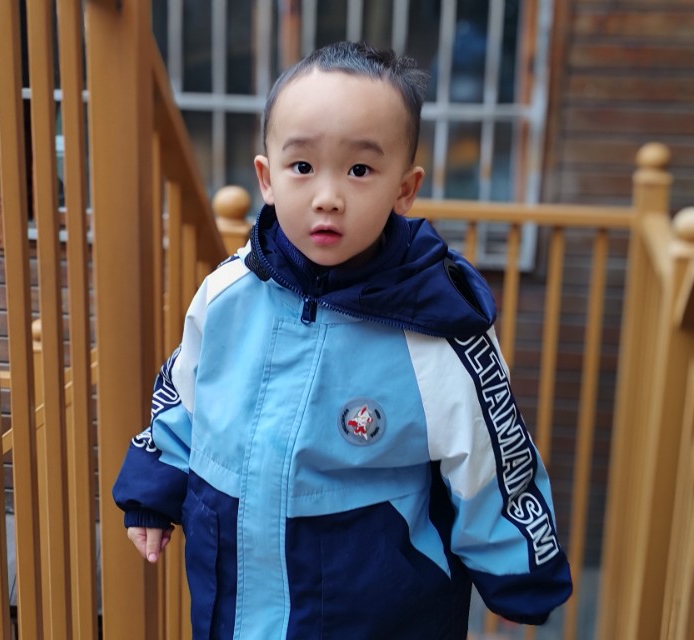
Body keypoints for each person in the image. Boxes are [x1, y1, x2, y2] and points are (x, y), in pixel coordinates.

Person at [112, 41, 572, 639]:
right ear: (267, 178)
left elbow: (490, 455)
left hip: (378, 608)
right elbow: (185, 395)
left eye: (359, 170)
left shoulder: (438, 326)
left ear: (404, 189)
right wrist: (154, 488)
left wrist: (517, 572)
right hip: (234, 595)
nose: (327, 195)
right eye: (302, 167)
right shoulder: (229, 294)